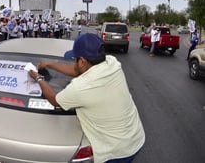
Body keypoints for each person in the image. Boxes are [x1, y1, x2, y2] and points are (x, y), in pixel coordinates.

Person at [28, 33, 145, 163]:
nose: (74, 61)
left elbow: (55, 100)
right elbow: (77, 70)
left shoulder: (82, 86)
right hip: (135, 138)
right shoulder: (112, 63)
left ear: (83, 61)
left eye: (75, 58)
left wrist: (38, 78)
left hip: (116, 152)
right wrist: (49, 64)